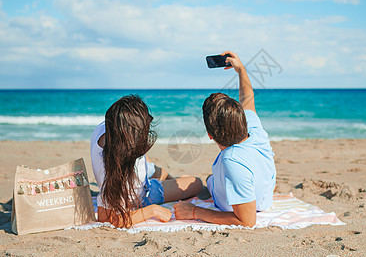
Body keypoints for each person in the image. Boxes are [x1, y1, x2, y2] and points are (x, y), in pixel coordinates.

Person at [174, 51, 276, 227]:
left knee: (209, 180)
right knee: (211, 178)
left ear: (210, 135)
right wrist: (241, 70)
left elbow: (247, 221)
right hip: (264, 195)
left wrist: (194, 211)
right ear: (240, 118)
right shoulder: (253, 130)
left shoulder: (232, 160)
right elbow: (248, 100)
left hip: (243, 203)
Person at [90, 95, 203, 228]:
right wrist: (152, 210)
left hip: (140, 174)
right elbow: (107, 219)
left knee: (163, 173)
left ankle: (168, 179)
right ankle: (168, 182)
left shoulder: (104, 128)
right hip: (143, 193)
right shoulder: (114, 172)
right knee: (195, 183)